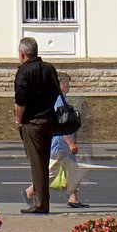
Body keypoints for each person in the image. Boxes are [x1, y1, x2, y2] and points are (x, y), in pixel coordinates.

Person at [25, 72, 86, 211]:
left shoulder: (60, 98)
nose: (68, 87)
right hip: (60, 143)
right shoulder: (58, 100)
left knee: (73, 171)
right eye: (66, 84)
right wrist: (70, 143)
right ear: (61, 85)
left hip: (63, 143)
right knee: (51, 171)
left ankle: (73, 197)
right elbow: (60, 123)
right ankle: (30, 191)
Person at [14, 35, 60, 215]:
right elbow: (56, 92)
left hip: (32, 122)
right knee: (44, 160)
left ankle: (41, 204)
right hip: (49, 119)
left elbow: (21, 101)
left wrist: (19, 120)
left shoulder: (24, 71)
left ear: (23, 54)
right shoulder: (49, 68)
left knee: (37, 164)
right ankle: (43, 202)